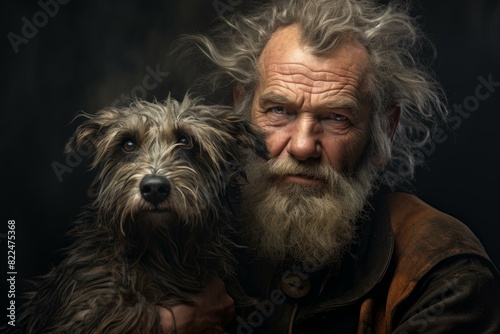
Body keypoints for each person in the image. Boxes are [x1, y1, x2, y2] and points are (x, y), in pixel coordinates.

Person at [159, 0, 500, 332]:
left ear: (385, 128)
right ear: (242, 108)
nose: (304, 145)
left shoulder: (443, 273)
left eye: (336, 117)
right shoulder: (174, 227)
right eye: (279, 111)